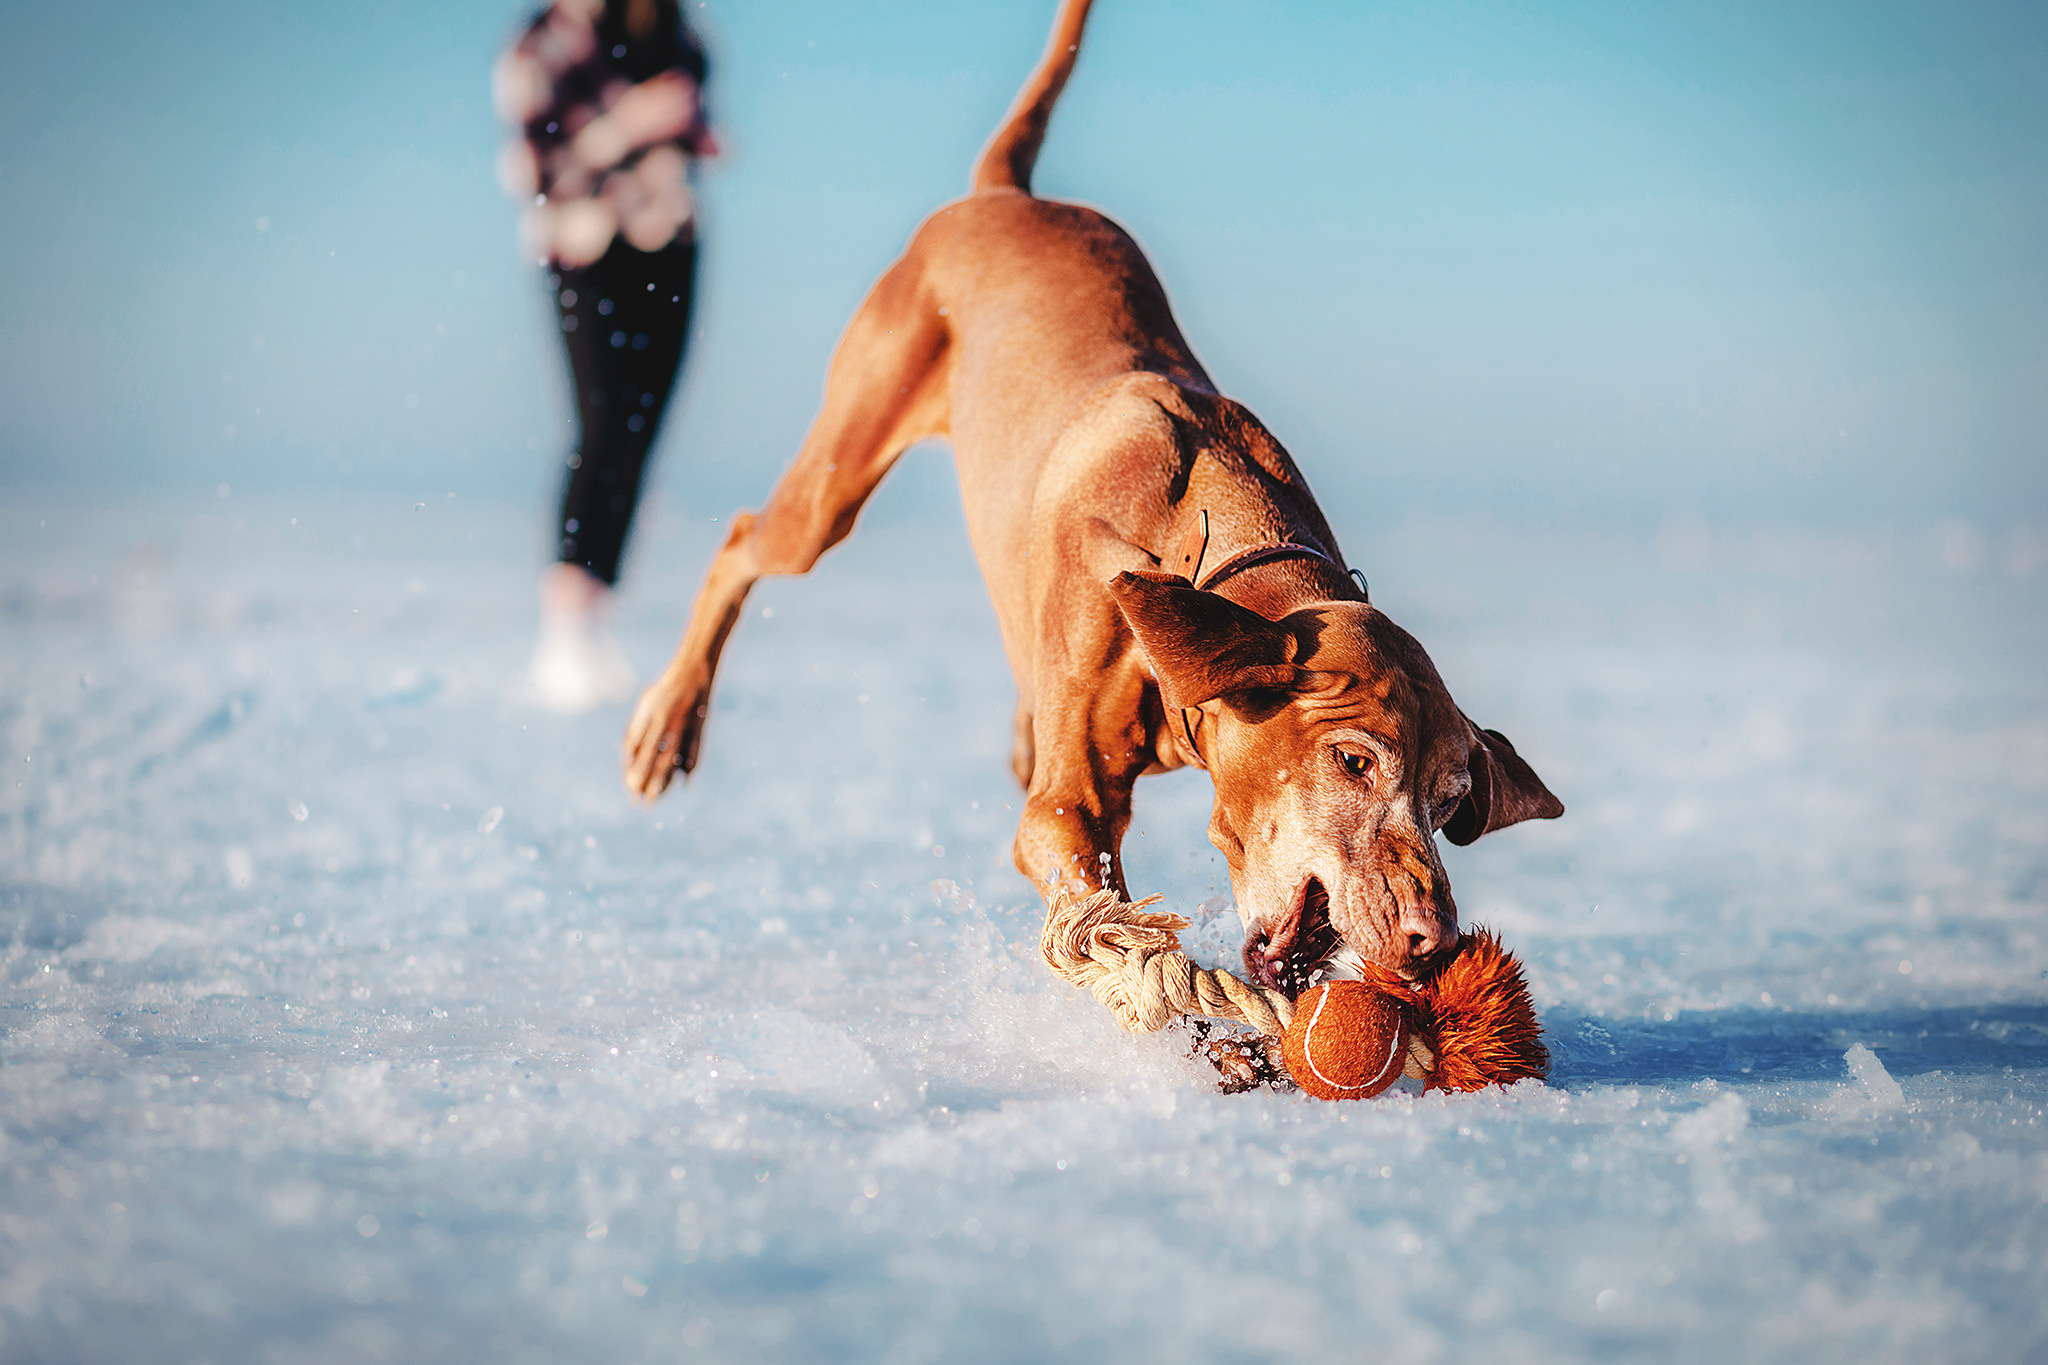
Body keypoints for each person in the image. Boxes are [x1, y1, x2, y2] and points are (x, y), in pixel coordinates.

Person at [493, 0, 717, 712]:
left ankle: (594, 621)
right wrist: (630, 125)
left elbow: (687, 120)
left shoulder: (669, 28)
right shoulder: (541, 46)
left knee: (640, 431)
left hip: (670, 241)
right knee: (601, 425)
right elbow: (535, 167)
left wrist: (695, 135)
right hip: (585, 249)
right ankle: (563, 632)